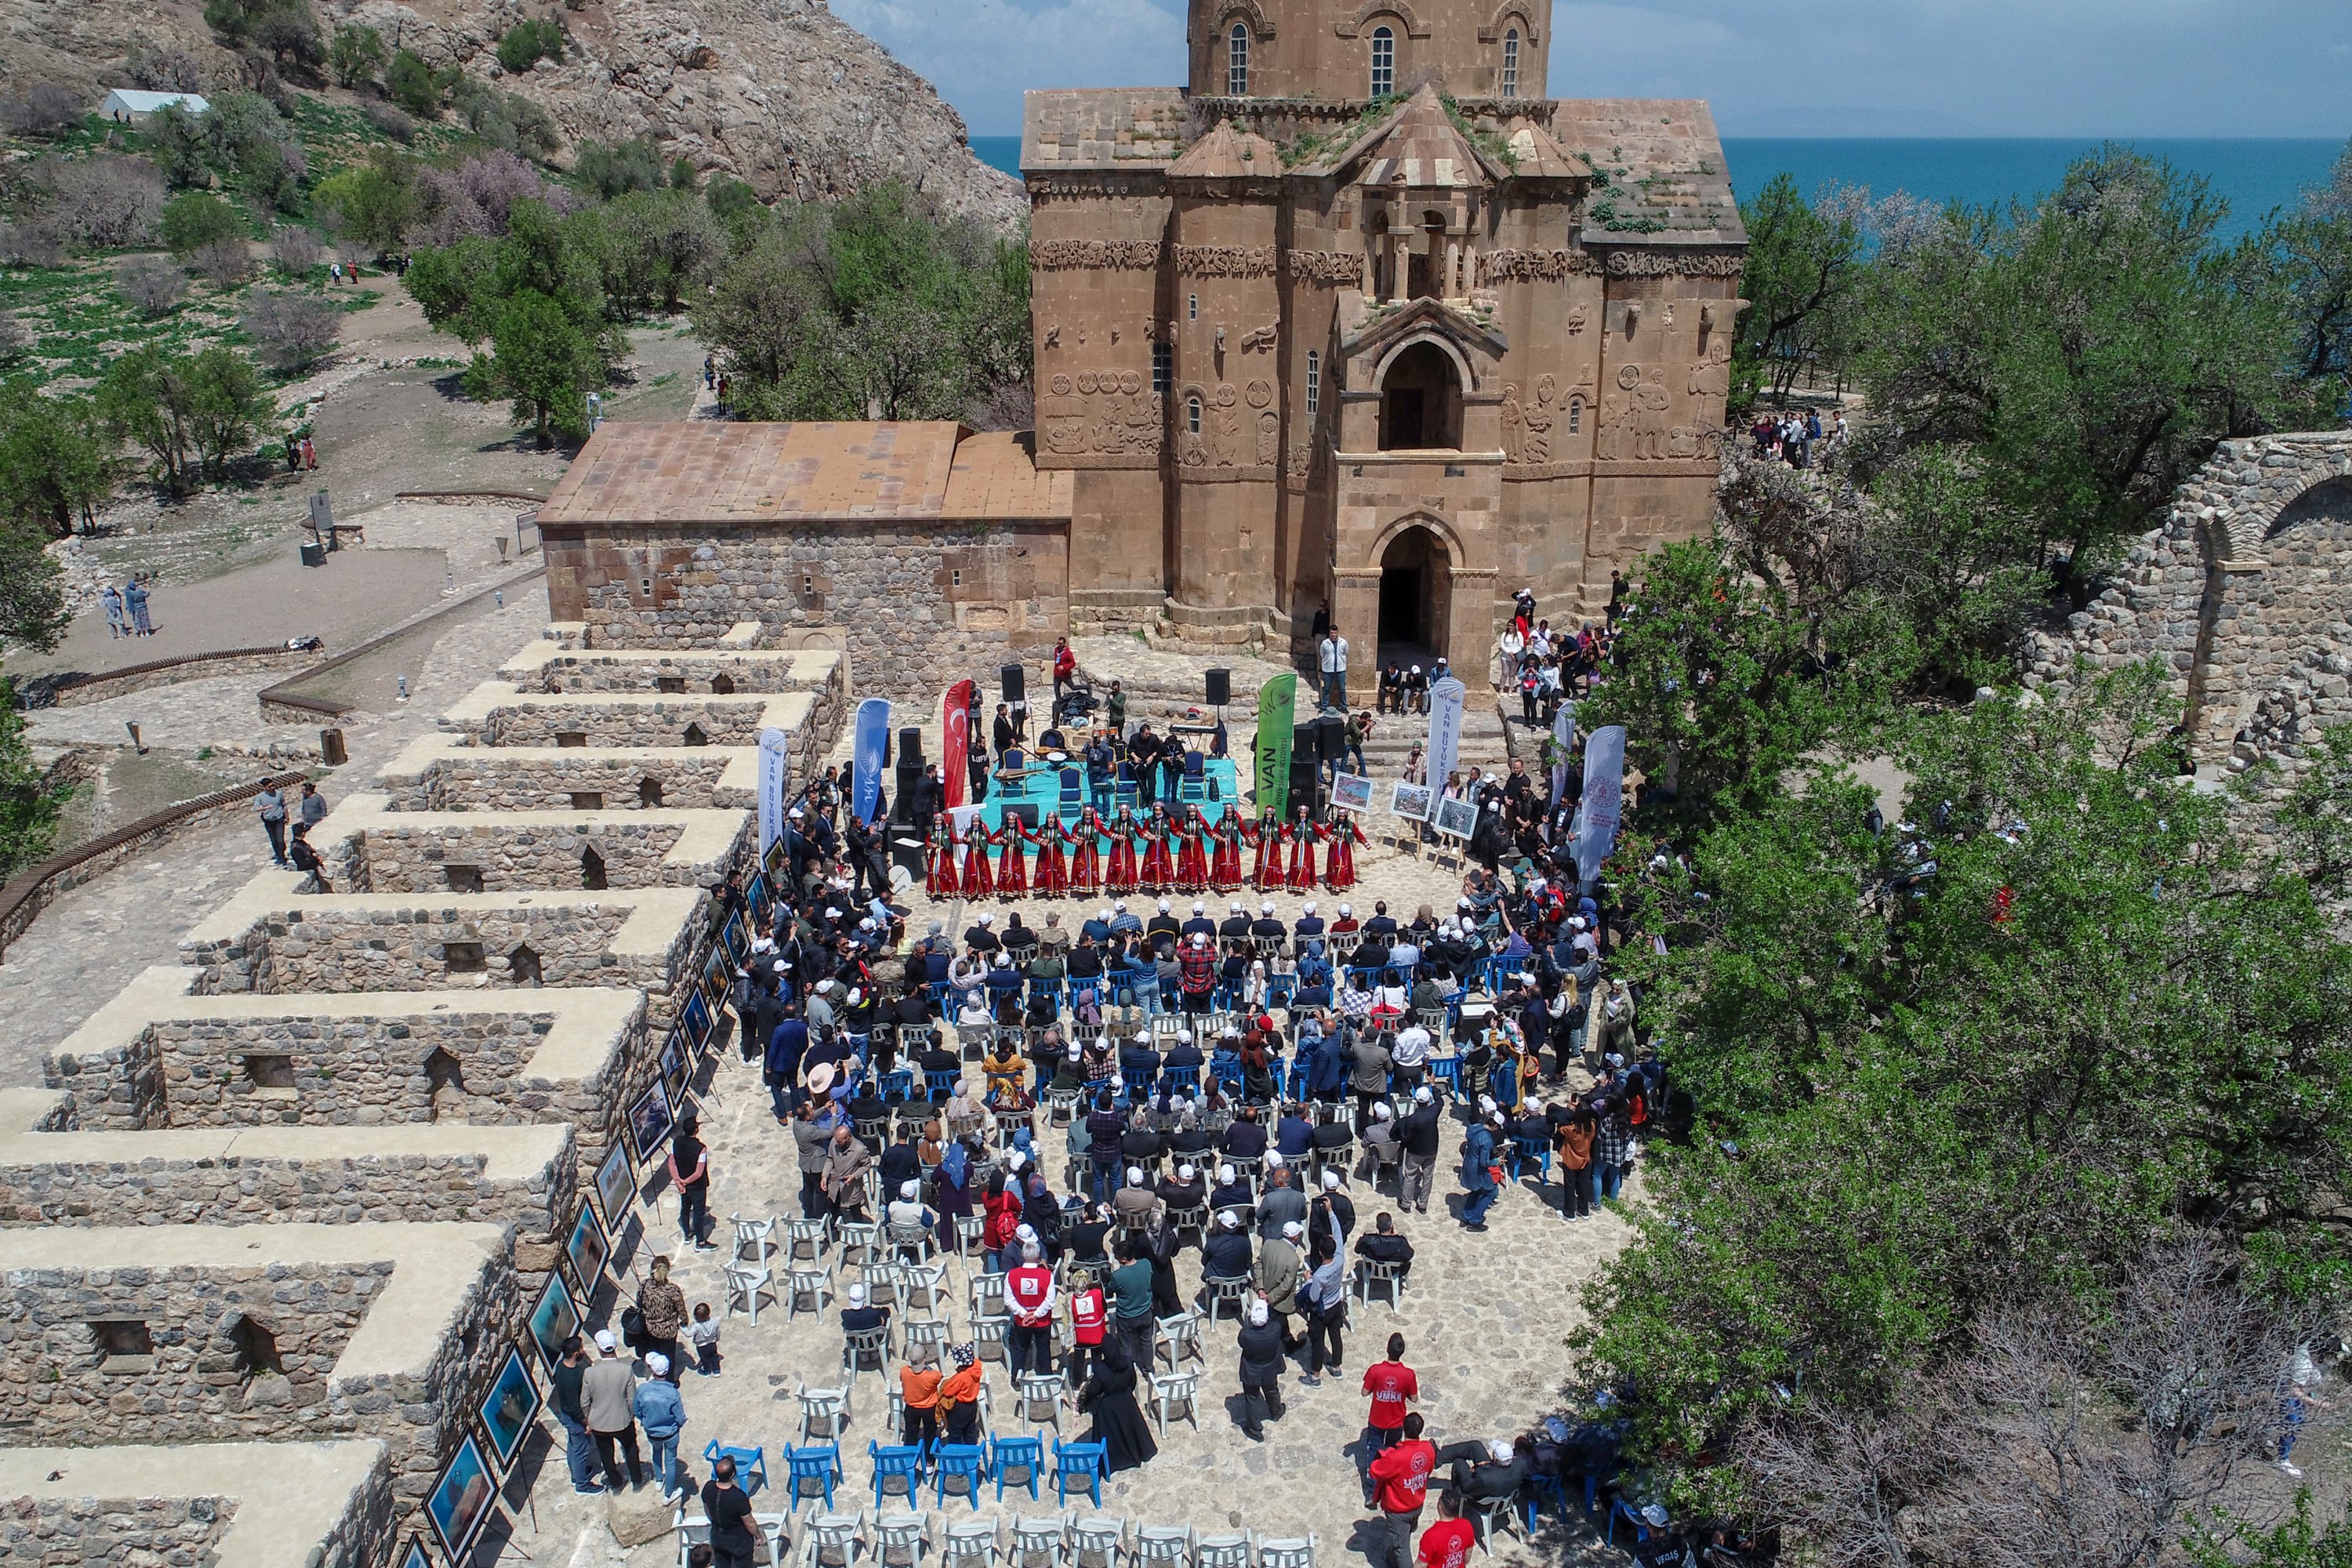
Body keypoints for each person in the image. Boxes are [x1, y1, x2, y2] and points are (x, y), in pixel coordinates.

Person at [1074, 1337, 1160, 1473]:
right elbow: (1132, 1381)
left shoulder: (1101, 1370)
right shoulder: (1127, 1361)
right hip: (1127, 1402)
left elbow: (1093, 1390)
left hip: (1108, 1408)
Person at [1368, 1412, 1438, 1568]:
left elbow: (1374, 1470)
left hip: (1398, 1510)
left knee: (1402, 1549)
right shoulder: (1428, 1449)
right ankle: (1392, 1559)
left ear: (1403, 1429)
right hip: (1417, 1503)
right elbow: (1429, 1469)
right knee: (1403, 1537)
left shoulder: (1396, 1457)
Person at [583, 1329, 648, 1491]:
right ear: (615, 1348)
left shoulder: (589, 1373)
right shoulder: (626, 1370)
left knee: (606, 1454)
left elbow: (584, 1401)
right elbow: (632, 1399)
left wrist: (588, 1420)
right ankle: (637, 1481)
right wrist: (631, 1415)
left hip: (598, 1423)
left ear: (599, 1349)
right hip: (622, 1421)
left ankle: (617, 1484)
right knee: (631, 1449)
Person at [549, 1334, 601, 1493]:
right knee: (581, 1450)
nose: (583, 1352)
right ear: (575, 1354)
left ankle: (576, 1475)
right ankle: (582, 1484)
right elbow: (575, 1407)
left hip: (565, 1414)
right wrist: (587, 1423)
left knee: (573, 1445)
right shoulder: (574, 1376)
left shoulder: (559, 1367)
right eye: (581, 1350)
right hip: (575, 1418)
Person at [1236, 1298, 1288, 1442]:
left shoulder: (1246, 1335)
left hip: (1251, 1371)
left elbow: (1241, 1344)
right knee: (1272, 1389)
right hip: (1270, 1367)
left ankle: (1255, 1430)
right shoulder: (1276, 1329)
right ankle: (1276, 1411)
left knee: (1251, 1398)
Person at [634, 1352, 686, 1496]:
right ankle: (668, 1494)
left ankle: (658, 1480)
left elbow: (636, 1410)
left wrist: (645, 1421)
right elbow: (680, 1417)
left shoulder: (642, 1389)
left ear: (652, 1370)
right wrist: (677, 1426)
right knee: (671, 1463)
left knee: (656, 1452)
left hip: (652, 1432)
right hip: (670, 1433)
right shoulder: (672, 1392)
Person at [1005, 1241, 1058, 1379]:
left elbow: (1009, 1300)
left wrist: (1024, 1314)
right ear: (1038, 1256)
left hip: (1022, 1321)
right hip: (1043, 1321)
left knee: (1020, 1349)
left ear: (1023, 1255)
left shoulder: (1011, 1275)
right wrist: (1036, 1315)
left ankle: (1016, 1378)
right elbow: (1050, 1301)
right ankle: (1046, 1377)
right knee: (1044, 1350)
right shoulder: (1047, 1276)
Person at [1300, 1237, 1348, 1385]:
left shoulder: (1320, 1275)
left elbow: (1314, 1297)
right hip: (1336, 1306)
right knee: (1336, 1337)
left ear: (1320, 1253)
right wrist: (1331, 1214)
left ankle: (1315, 1376)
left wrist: (1308, 1280)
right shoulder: (1340, 1260)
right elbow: (1339, 1236)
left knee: (1317, 1343)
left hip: (1322, 1312)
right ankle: (1336, 1367)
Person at [1361, 1333, 1418, 1450]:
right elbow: (1414, 1398)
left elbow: (1364, 1392)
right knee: (1392, 1450)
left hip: (1377, 1419)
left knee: (1374, 1449)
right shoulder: (1409, 1374)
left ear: (1387, 1349)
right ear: (1402, 1352)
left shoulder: (1375, 1370)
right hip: (1396, 1421)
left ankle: (1372, 1468)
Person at [701, 1456, 758, 1568]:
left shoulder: (708, 1487)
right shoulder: (739, 1497)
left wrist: (715, 1520)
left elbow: (707, 1509)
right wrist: (758, 1536)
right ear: (732, 1475)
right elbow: (749, 1523)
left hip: (717, 1536)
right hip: (739, 1542)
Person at [637, 1254, 688, 1380]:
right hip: (668, 1330)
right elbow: (681, 1308)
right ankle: (669, 1380)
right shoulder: (672, 1290)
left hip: (650, 1328)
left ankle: (656, 1376)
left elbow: (639, 1302)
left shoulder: (644, 1286)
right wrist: (685, 1320)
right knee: (669, 1357)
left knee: (655, 1354)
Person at [669, 1116, 714, 1251]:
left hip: (683, 1185)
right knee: (698, 1213)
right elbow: (698, 1173)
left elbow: (671, 1162)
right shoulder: (701, 1148)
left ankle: (688, 1234)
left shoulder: (677, 1142)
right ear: (696, 1130)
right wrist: (685, 1181)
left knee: (685, 1208)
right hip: (697, 1186)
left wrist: (678, 1181)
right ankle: (700, 1242)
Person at [1396, 1088, 1441, 1215]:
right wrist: (1434, 1085)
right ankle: (1422, 1204)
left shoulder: (1412, 1119)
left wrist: (1402, 1147)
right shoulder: (1434, 1112)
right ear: (1428, 1100)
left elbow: (1406, 1136)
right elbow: (1440, 1101)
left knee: (1410, 1176)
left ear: (1416, 1100)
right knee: (1428, 1177)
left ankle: (1406, 1203)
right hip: (1431, 1150)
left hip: (1415, 1151)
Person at [1460, 1109, 1502, 1231]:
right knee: (1490, 1192)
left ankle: (1466, 1217)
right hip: (1478, 1169)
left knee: (1476, 1191)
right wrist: (1496, 1162)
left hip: (1469, 1163)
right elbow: (1484, 1162)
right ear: (1495, 1125)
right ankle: (1475, 1221)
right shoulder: (1487, 1140)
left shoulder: (1474, 1129)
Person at [899, 1341, 943, 1447]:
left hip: (911, 1408)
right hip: (928, 1409)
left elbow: (902, 1378)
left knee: (910, 1433)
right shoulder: (931, 1376)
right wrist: (928, 1368)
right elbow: (940, 1376)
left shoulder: (904, 1371)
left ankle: (910, 1456)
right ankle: (929, 1460)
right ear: (924, 1359)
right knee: (930, 1433)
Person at [1417, 1491, 1477, 1568]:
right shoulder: (1467, 1525)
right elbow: (1468, 1553)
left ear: (1440, 1507)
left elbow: (1421, 1564)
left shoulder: (1430, 1536)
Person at [256, 782, 291, 866]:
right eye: (270, 786)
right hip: (269, 820)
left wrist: (287, 817)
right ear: (265, 787)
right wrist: (265, 808)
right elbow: (255, 809)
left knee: (280, 840)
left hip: (279, 819)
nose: (273, 787)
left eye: (273, 785)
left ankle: (282, 856)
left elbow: (284, 805)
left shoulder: (279, 793)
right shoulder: (260, 797)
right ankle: (279, 856)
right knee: (274, 840)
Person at [1319, 627, 1350, 710]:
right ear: (1330, 633)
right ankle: (1324, 706)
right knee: (1326, 689)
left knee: (1342, 689)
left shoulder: (1343, 642)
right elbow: (1322, 654)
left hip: (1340, 669)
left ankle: (1344, 707)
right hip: (1328, 669)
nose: (1333, 635)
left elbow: (1346, 652)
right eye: (1332, 633)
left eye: (1335, 633)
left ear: (1337, 633)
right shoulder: (1325, 643)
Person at [687, 1301, 721, 1375]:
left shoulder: (697, 1326)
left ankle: (706, 1371)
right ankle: (716, 1371)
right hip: (712, 1343)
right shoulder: (714, 1322)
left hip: (702, 1347)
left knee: (705, 1359)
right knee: (714, 1357)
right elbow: (718, 1331)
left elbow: (689, 1334)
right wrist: (717, 1338)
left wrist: (682, 1328)